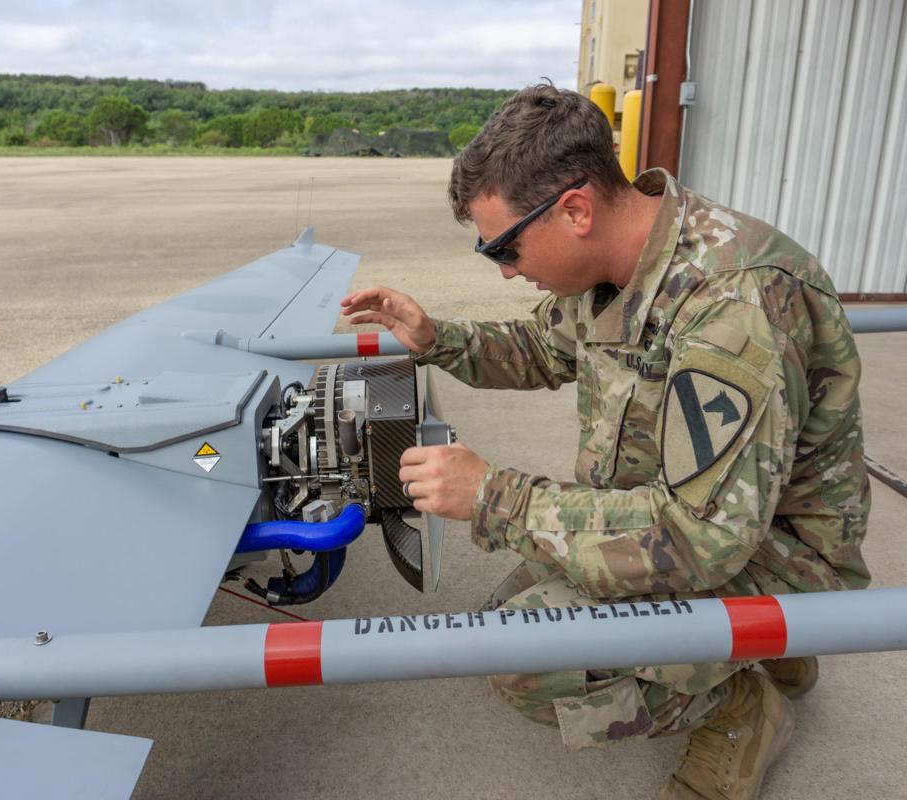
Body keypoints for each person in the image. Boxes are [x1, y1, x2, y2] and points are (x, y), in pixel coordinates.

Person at [340, 83, 870, 800]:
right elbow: (541, 348)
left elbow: (702, 539)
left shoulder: (732, 307)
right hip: (698, 523)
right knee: (508, 609)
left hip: (771, 554)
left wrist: (495, 496)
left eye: (504, 245)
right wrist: (438, 338)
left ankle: (743, 704)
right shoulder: (622, 267)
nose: (503, 267)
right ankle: (758, 655)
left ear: (576, 210)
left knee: (524, 661)